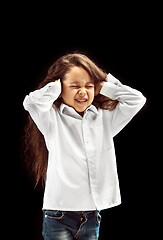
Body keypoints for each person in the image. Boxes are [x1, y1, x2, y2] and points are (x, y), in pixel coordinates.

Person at [23, 53, 146, 239]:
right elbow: (31, 102)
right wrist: (55, 87)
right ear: (61, 88)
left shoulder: (104, 118)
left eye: (89, 86)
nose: (83, 92)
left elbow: (137, 99)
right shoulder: (51, 118)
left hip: (91, 215)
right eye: (74, 86)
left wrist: (105, 84)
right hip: (58, 214)